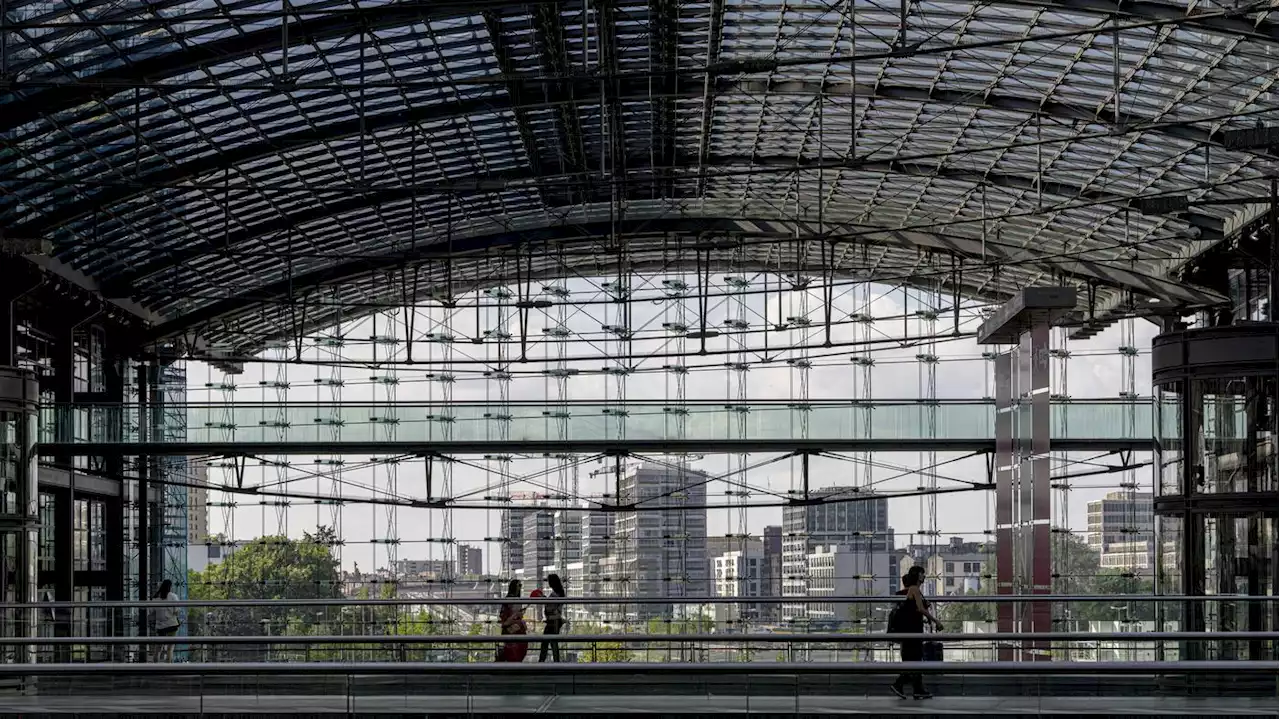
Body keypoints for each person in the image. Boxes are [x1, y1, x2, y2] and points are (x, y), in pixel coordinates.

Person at [890, 571, 942, 699]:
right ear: (917, 576)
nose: (924, 576)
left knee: (914, 659)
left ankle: (917, 689)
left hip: (911, 630)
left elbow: (913, 609)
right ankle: (899, 684)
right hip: (912, 631)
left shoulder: (914, 590)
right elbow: (919, 608)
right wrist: (935, 620)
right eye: (922, 574)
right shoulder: (914, 589)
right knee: (914, 660)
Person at [150, 579, 181, 663]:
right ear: (170, 587)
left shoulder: (155, 597)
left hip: (160, 626)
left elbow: (151, 612)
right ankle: (168, 665)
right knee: (170, 648)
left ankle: (155, 664)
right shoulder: (173, 596)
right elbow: (176, 611)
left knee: (158, 646)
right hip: (171, 625)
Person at [497, 580, 528, 662]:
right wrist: (516, 615)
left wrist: (519, 615)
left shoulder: (515, 599)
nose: (520, 587)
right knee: (516, 650)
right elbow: (505, 619)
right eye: (519, 585)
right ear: (514, 587)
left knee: (517, 649)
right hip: (512, 628)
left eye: (521, 585)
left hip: (515, 628)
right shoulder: (510, 599)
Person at [539, 573, 567, 662]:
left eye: (549, 581)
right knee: (552, 643)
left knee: (547, 643)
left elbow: (551, 606)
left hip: (553, 621)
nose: (549, 583)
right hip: (555, 621)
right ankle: (556, 662)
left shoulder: (555, 594)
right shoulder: (559, 592)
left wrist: (545, 600)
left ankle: (542, 662)